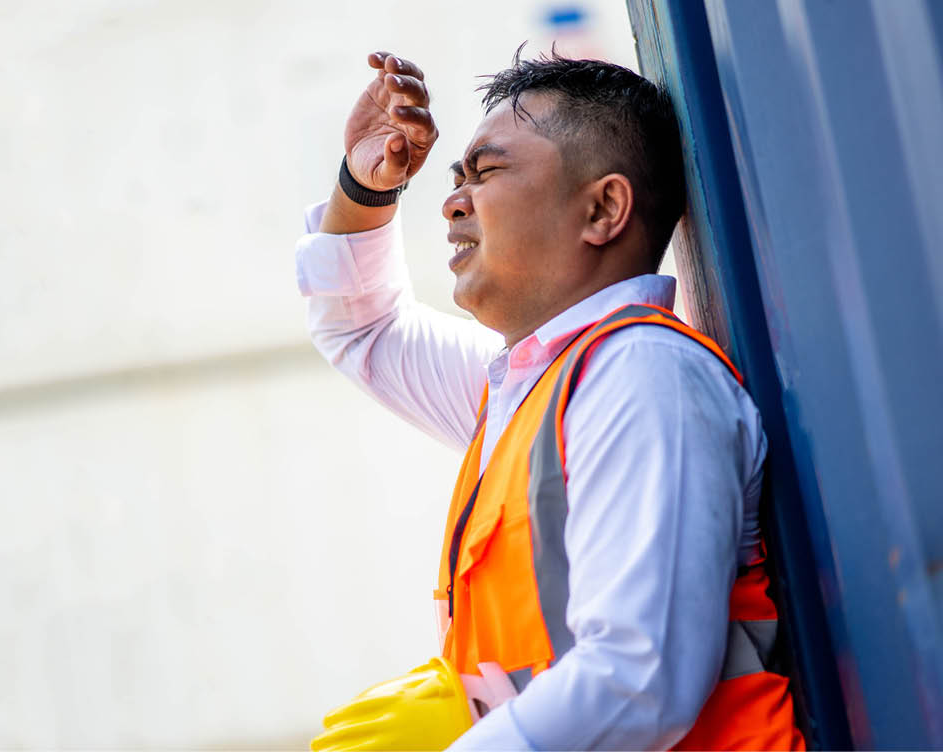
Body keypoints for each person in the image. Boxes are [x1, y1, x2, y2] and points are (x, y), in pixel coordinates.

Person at [295, 48, 804, 750]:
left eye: (488, 171)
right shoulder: (532, 384)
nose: (451, 201)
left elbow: (639, 678)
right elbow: (364, 330)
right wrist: (365, 182)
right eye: (456, 178)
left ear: (603, 208)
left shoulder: (642, 376)